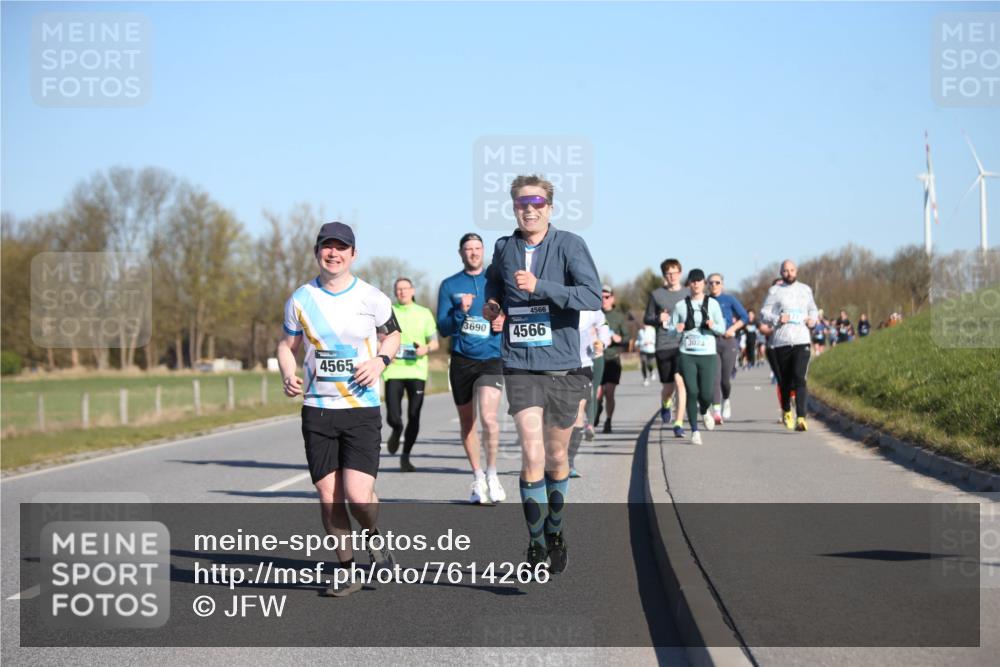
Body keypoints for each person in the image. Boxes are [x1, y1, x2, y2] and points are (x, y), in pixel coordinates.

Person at [482, 174, 601, 574]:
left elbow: (590, 295)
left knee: (556, 456)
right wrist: (493, 306)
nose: (529, 210)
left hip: (564, 367)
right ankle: (534, 543)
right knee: (532, 453)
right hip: (520, 364)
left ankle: (555, 530)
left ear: (550, 207)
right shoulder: (504, 247)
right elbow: (493, 285)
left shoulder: (570, 244)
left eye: (536, 203)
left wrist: (541, 287)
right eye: (522, 203)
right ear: (514, 207)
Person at [277, 221, 401, 597]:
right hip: (318, 409)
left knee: (359, 496)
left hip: (361, 408)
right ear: (317, 252)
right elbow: (287, 345)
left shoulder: (372, 297)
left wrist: (380, 361)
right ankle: (347, 570)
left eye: (341, 247)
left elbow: (393, 335)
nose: (333, 253)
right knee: (329, 495)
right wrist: (287, 373)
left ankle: (373, 536)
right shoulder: (301, 299)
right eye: (327, 247)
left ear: (353, 254)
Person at [436, 232, 506, 503]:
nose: (474, 252)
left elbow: (513, 312)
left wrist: (504, 320)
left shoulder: (495, 282)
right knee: (468, 422)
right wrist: (460, 311)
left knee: (489, 418)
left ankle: (493, 473)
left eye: (478, 248)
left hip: (491, 357)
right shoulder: (449, 285)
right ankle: (478, 477)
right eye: (468, 249)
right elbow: (443, 328)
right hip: (462, 360)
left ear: (483, 251)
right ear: (461, 253)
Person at [382, 278, 439, 472]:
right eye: (398, 289)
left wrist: (426, 348)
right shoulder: (388, 311)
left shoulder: (424, 313)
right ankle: (396, 429)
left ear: (412, 291)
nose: (402, 292)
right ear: (394, 292)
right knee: (393, 416)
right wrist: (384, 351)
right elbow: (377, 337)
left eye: (405, 288)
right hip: (393, 371)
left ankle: (405, 456)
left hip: (417, 371)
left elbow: (435, 343)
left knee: (414, 416)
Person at [760, 260, 818, 432]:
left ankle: (801, 417)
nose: (789, 273)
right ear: (781, 272)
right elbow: (764, 313)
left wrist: (812, 320)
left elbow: (813, 309)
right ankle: (786, 410)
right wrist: (777, 318)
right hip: (782, 341)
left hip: (802, 340)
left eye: (792, 270)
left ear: (796, 271)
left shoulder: (805, 289)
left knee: (800, 377)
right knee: (785, 381)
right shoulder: (775, 291)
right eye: (785, 271)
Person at [670, 269, 725, 445]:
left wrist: (713, 325)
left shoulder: (713, 304)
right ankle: (695, 431)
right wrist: (676, 329)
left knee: (706, 394)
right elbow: (670, 331)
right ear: (689, 284)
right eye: (693, 281)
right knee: (692, 392)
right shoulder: (680, 306)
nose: (696, 284)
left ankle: (704, 411)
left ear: (704, 283)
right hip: (687, 354)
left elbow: (722, 329)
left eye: (699, 280)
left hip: (707, 354)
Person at [644, 258, 689, 438]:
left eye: (675, 272)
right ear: (664, 275)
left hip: (683, 344)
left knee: (680, 382)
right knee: (668, 387)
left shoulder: (688, 293)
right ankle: (666, 403)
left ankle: (678, 423)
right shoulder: (656, 295)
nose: (672, 276)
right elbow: (647, 318)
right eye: (668, 273)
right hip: (663, 345)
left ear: (680, 273)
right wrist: (658, 318)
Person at [570, 309, 611, 477]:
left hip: (584, 363)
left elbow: (603, 324)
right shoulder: (557, 300)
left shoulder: (591, 306)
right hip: (557, 365)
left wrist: (602, 341)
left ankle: (569, 462)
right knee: (556, 415)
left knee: (578, 413)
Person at [707, 273, 748, 424]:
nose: (714, 285)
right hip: (711, 342)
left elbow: (744, 317)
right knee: (715, 378)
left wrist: (733, 329)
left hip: (728, 341)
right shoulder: (705, 301)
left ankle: (726, 399)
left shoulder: (729, 299)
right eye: (711, 283)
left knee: (725, 379)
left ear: (722, 284)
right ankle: (717, 412)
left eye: (717, 282)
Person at [594, 285, 628, 434]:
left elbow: (627, 338)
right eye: (601, 297)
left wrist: (619, 338)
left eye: (607, 297)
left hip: (612, 359)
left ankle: (608, 420)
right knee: (597, 393)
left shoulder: (618, 317)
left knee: (609, 392)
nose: (604, 300)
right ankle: (596, 410)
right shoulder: (594, 314)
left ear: (612, 298)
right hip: (597, 358)